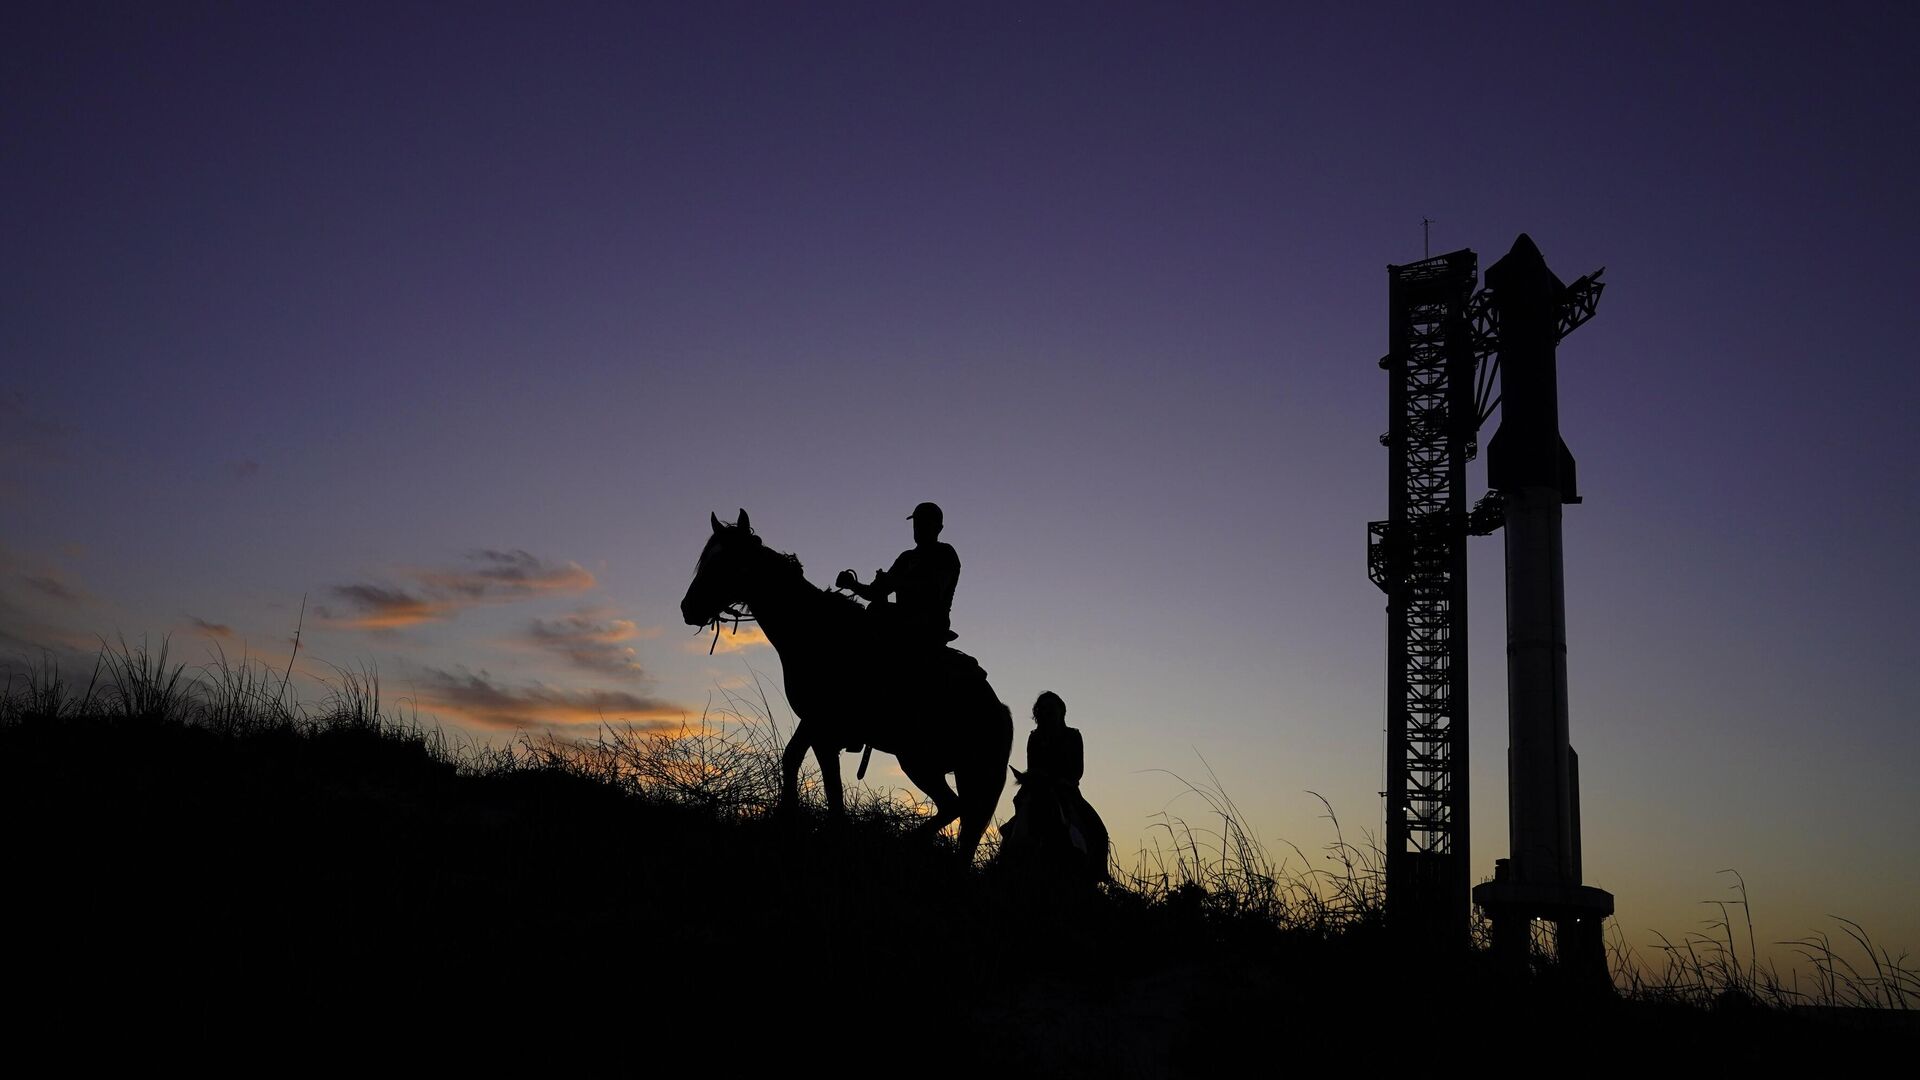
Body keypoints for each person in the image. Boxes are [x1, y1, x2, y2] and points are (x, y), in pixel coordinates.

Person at [836, 501, 961, 646]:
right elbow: (874, 592)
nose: (918, 527)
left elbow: (932, 592)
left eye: (924, 522)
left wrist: (894, 582)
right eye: (917, 522)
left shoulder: (945, 553)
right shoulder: (906, 557)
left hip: (929, 626)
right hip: (902, 618)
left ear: (938, 528)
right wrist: (852, 584)